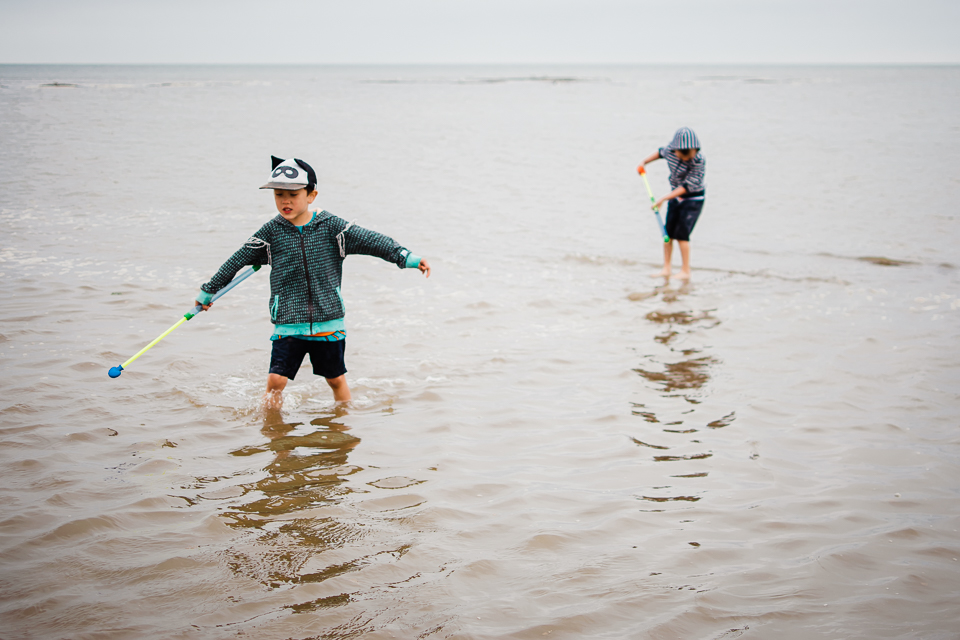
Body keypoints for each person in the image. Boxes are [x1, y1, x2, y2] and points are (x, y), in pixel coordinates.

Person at [195, 156, 431, 408]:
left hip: (328, 320)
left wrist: (407, 257)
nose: (285, 201)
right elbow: (236, 260)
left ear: (311, 195)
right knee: (276, 381)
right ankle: (274, 434)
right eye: (278, 194)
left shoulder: (333, 228)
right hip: (288, 323)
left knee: (335, 380)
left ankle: (342, 426)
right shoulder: (270, 233)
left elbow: (372, 241)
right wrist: (208, 292)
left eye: (293, 194)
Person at [638, 127, 706, 279]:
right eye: (684, 155)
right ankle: (667, 268)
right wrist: (644, 162)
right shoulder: (671, 151)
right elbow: (660, 152)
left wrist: (663, 199)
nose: (687, 158)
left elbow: (687, 187)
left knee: (682, 235)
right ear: (675, 150)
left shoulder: (698, 160)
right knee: (667, 234)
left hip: (693, 198)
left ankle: (685, 270)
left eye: (691, 153)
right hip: (675, 197)